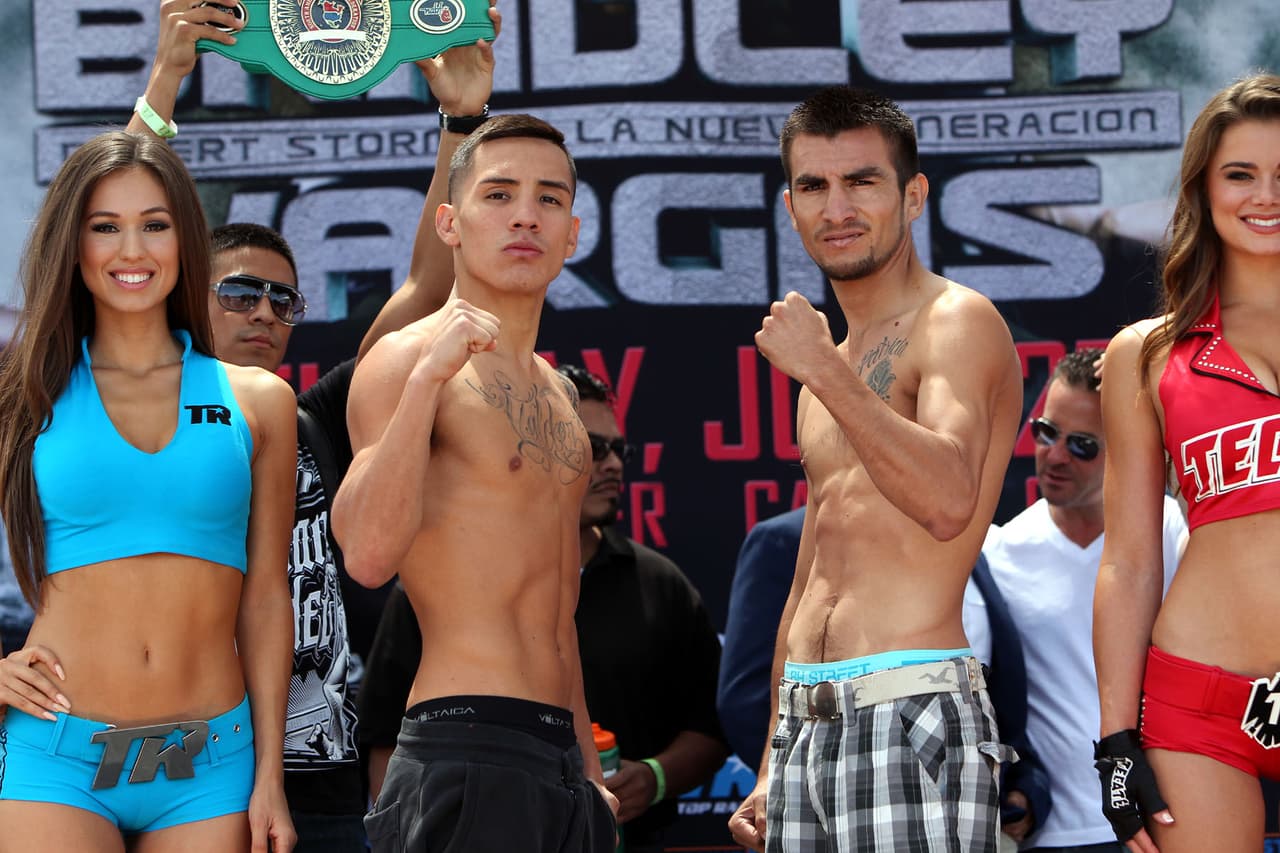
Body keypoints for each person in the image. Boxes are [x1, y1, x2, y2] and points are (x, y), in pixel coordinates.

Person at [120, 4, 500, 848]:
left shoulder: (315, 417)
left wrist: (463, 119)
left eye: (282, 299)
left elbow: (430, 288)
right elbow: (114, 236)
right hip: (184, 761)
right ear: (185, 297)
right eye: (238, 292)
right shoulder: (132, 404)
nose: (264, 311)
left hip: (320, 778)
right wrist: (167, 79)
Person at [727, 85, 1023, 852]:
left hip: (910, 706)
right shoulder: (833, 363)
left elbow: (950, 499)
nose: (837, 207)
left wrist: (824, 371)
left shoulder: (956, 320)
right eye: (814, 186)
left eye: (862, 180)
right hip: (804, 727)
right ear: (789, 207)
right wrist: (768, 757)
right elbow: (812, 571)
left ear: (913, 194)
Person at [0, 131, 296, 851]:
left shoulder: (260, 401)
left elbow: (264, 595)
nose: (132, 251)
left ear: (184, 239)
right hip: (57, 756)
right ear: (74, 246)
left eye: (154, 225)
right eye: (106, 227)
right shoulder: (25, 392)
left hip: (209, 761)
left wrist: (269, 775)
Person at [332, 114, 618, 852]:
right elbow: (366, 554)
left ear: (574, 232)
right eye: (500, 195)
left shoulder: (558, 394)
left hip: (560, 761)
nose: (527, 214)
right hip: (466, 741)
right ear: (450, 223)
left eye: (549, 199)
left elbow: (558, 602)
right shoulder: (405, 360)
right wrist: (429, 379)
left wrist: (588, 769)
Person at [358, 363, 729, 851]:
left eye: (620, 450)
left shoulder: (660, 583)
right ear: (542, 451)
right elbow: (386, 733)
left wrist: (654, 777)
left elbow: (712, 726)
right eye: (595, 449)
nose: (613, 464)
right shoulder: (447, 579)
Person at [1094, 72, 1280, 853]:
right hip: (1196, 701)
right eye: (1241, 173)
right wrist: (1113, 746)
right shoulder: (1148, 354)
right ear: (1203, 189)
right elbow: (1132, 559)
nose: (1265, 194)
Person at [720, 509, 1050, 845]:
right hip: (849, 807)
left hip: (972, 807)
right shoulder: (785, 539)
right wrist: (796, 782)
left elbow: (997, 690)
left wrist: (1023, 785)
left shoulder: (961, 537)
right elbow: (749, 698)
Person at [979, 349, 1186, 852]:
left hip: (1172, 819)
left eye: (1083, 445)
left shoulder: (1177, 532)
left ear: (1129, 447)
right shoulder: (998, 552)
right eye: (1046, 432)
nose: (1054, 455)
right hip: (1058, 835)